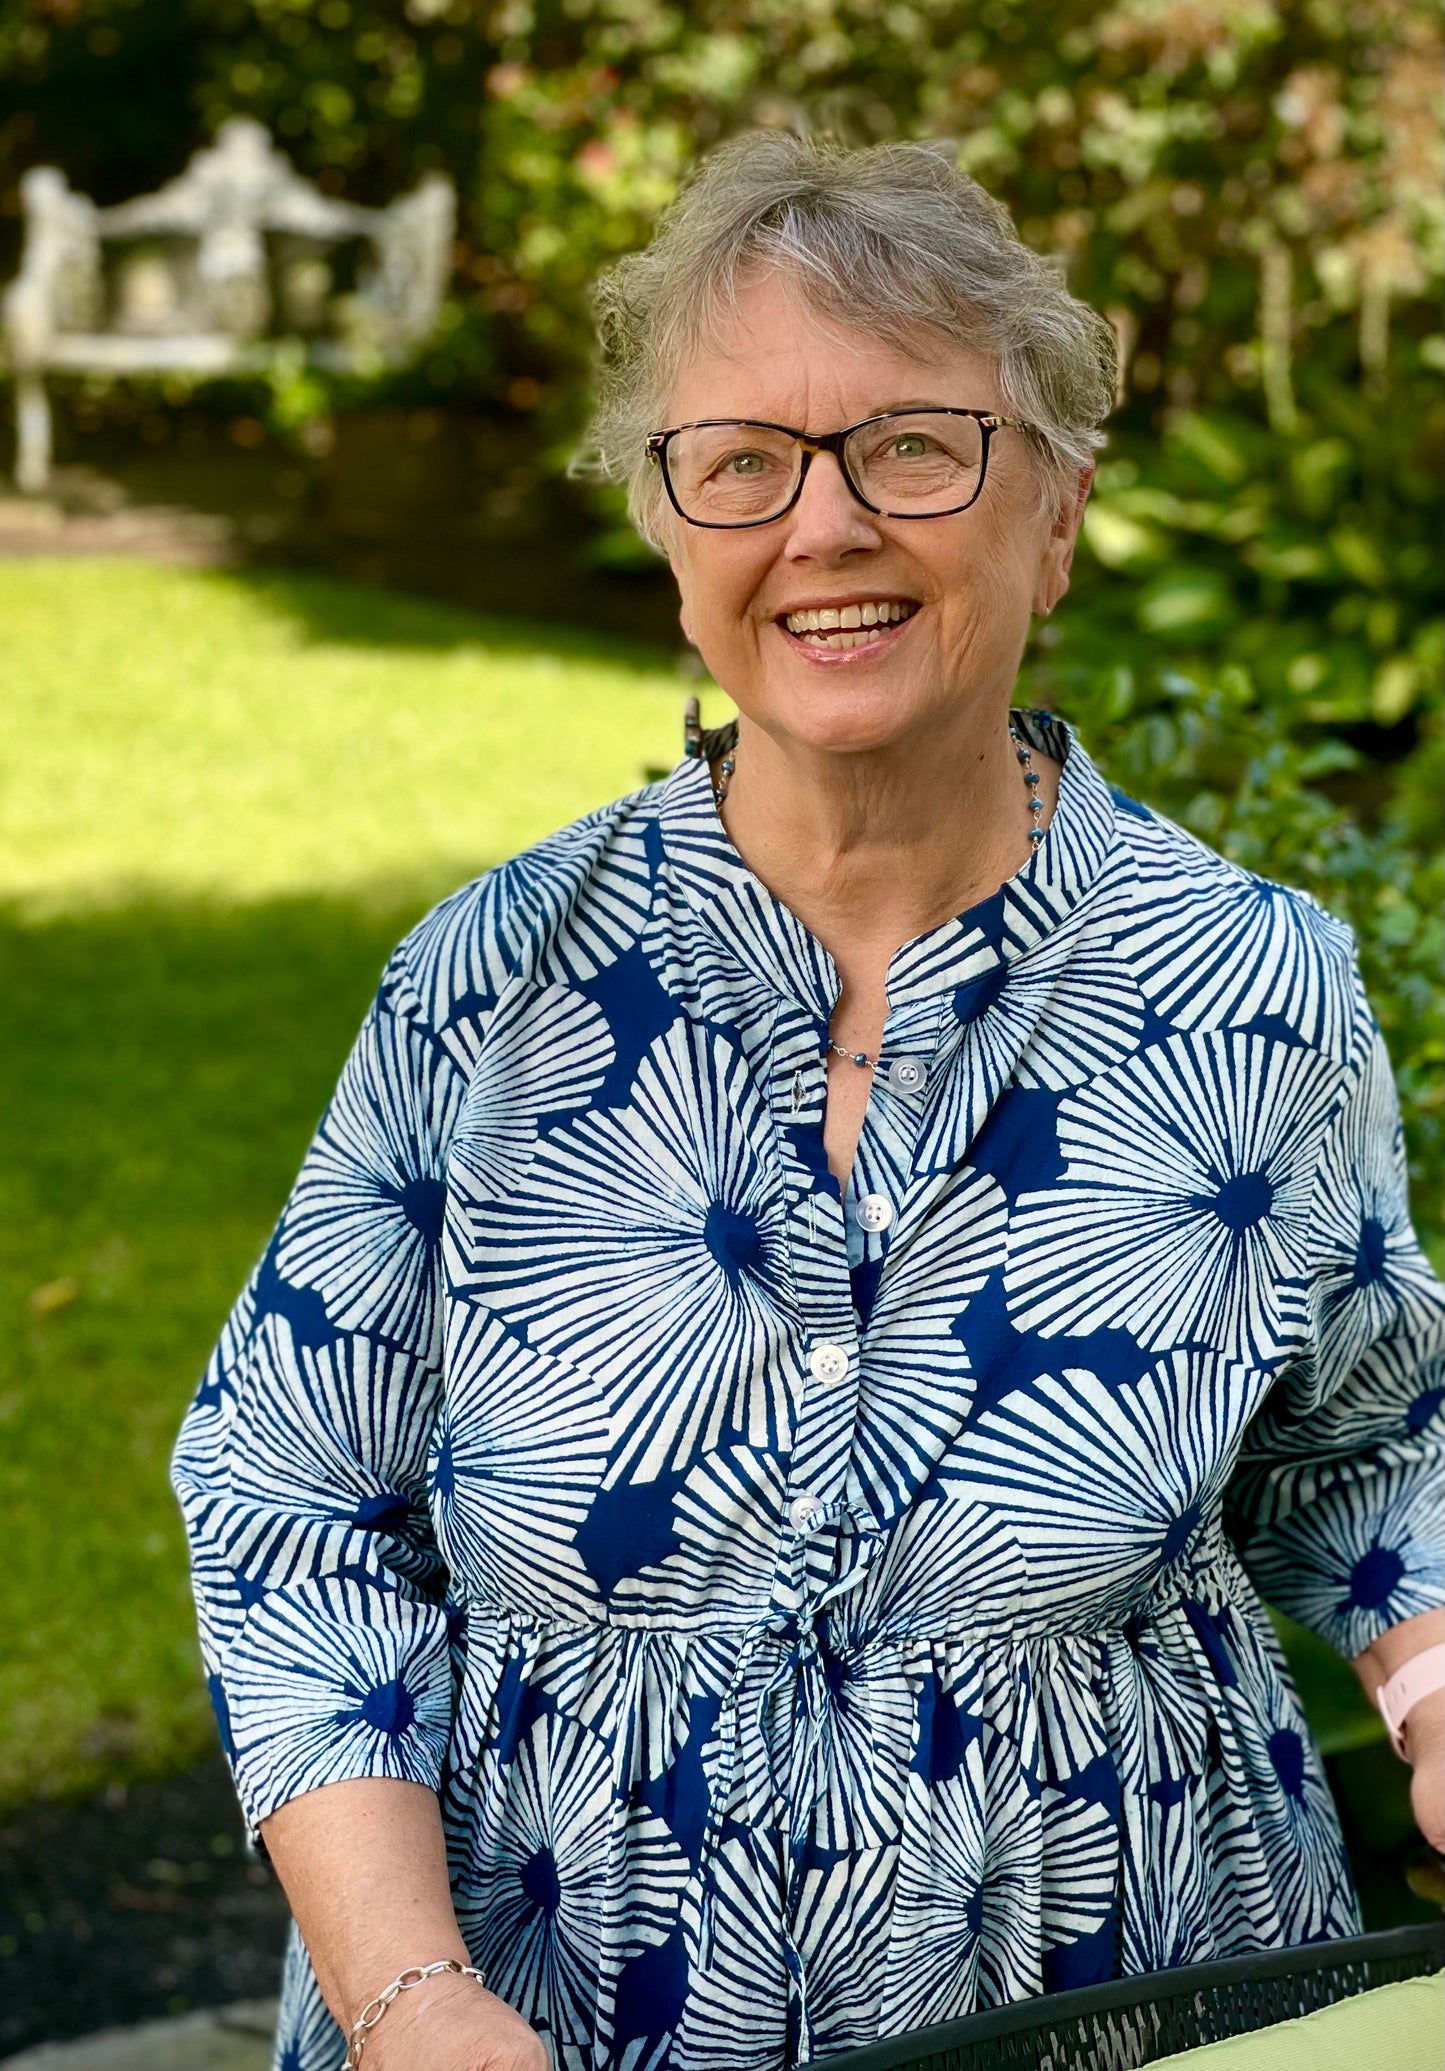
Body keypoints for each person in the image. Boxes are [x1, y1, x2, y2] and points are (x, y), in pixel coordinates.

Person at [172, 132, 1444, 2071]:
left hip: (1124, 1997)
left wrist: (1436, 1695)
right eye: (743, 460)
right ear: (672, 527)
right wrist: (407, 1991)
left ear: (1057, 516)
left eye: (916, 446)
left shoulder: (1249, 988)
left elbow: (1378, 1448)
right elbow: (295, 1505)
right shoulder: (484, 981)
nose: (824, 526)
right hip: (542, 2020)